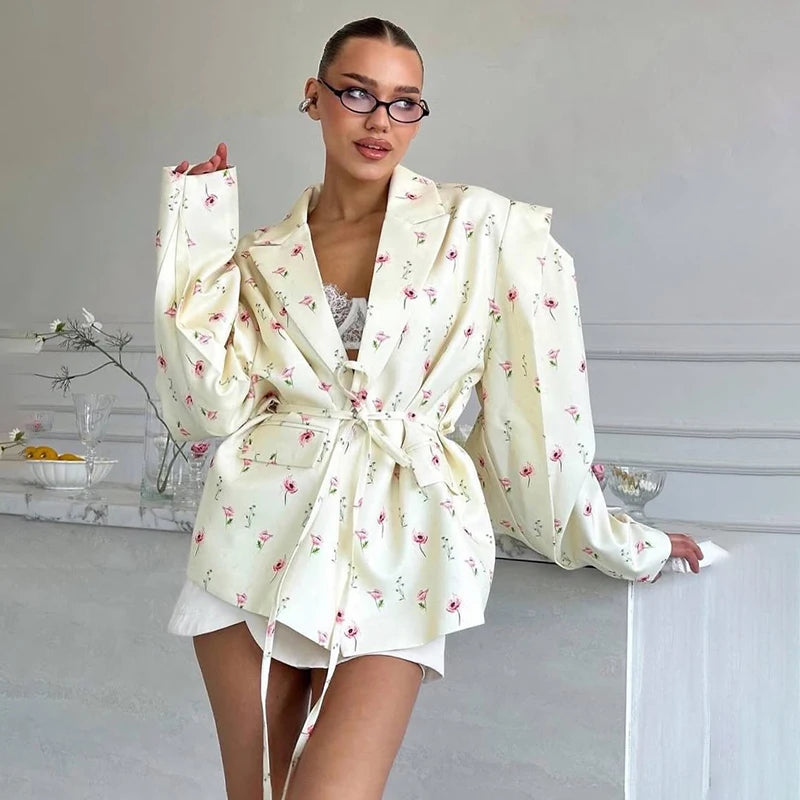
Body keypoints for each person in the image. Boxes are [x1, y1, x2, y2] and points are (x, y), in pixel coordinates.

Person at [155, 16, 704, 800]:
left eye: (405, 102)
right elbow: (204, 407)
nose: (381, 121)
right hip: (251, 543)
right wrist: (198, 231)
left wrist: (615, 537)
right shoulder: (261, 254)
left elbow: (538, 417)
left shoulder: (480, 230)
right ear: (314, 99)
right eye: (357, 94)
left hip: (402, 546)